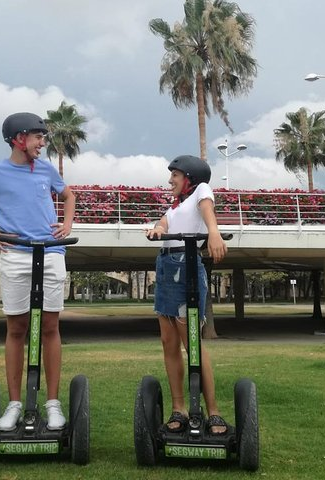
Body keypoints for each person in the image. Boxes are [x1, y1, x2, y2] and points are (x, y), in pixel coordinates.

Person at [0, 112, 75, 431]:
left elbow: (68, 196)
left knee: (50, 326)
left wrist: (66, 224)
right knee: (16, 328)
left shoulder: (47, 170)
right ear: (19, 139)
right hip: (14, 255)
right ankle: (14, 403)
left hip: (50, 253)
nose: (42, 143)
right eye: (38, 137)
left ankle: (52, 403)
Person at [145, 155, 229, 435]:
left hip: (187, 266)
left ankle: (213, 411)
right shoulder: (175, 207)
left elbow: (207, 211)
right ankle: (179, 408)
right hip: (166, 266)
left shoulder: (201, 193)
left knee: (191, 343)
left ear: (190, 179)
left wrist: (214, 233)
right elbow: (163, 225)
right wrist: (156, 230)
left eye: (176, 176)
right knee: (168, 343)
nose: (170, 180)